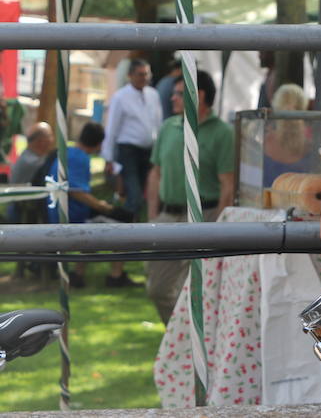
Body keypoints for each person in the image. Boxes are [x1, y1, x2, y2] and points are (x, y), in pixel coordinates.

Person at [145, 70, 235, 323]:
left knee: (197, 291)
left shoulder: (222, 133)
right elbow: (155, 174)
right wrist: (153, 216)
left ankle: (186, 349)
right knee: (158, 289)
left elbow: (227, 184)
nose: (172, 98)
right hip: (166, 217)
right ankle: (180, 340)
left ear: (200, 96)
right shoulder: (168, 127)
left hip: (203, 218)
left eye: (178, 93)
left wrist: (216, 227)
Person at [46, 122, 133, 288]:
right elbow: (76, 191)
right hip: (71, 218)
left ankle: (78, 274)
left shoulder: (66, 152)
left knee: (99, 222)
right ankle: (116, 276)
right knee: (124, 226)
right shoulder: (80, 158)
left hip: (59, 213)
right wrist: (103, 207)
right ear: (99, 144)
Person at [101, 58, 163, 221]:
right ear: (130, 75)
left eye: (146, 74)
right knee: (134, 194)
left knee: (142, 193)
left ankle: (131, 226)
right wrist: (108, 158)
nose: (144, 78)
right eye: (140, 74)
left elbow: (157, 122)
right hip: (128, 150)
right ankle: (122, 226)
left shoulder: (153, 94)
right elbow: (112, 128)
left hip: (148, 150)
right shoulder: (120, 97)